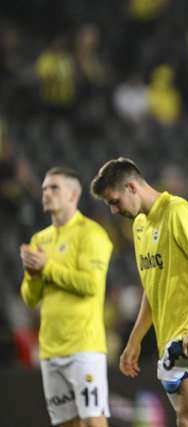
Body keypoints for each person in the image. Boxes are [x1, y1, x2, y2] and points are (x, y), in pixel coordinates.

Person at [90, 158, 188, 426]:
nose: (114, 210)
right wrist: (135, 339)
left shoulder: (177, 212)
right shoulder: (139, 226)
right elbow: (152, 287)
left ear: (131, 187)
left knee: (187, 421)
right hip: (171, 338)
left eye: (114, 201)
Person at [20, 167, 113, 426]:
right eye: (44, 189)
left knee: (93, 421)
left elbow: (90, 285)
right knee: (67, 424)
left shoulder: (91, 233)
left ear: (73, 194)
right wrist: (34, 276)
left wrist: (47, 267)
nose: (46, 194)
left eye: (54, 188)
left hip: (84, 347)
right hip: (50, 348)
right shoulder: (40, 239)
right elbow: (30, 298)